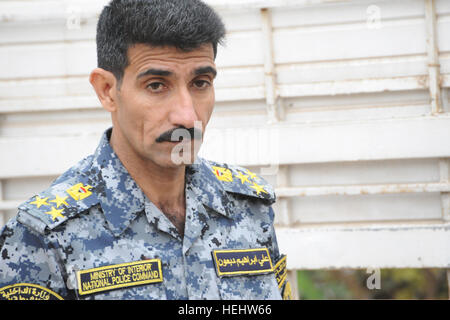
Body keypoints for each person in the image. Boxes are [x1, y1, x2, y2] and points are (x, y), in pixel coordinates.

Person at [0, 0, 290, 300]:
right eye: (156, 86)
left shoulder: (248, 208)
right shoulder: (44, 235)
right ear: (107, 90)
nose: (187, 116)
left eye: (200, 83)